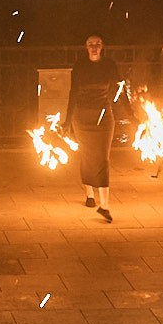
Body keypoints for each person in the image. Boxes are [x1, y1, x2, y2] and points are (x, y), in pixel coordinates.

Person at [66, 35, 125, 222]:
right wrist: (67, 120)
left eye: (97, 44)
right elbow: (73, 92)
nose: (94, 47)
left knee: (102, 158)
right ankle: (90, 194)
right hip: (81, 117)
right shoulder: (80, 66)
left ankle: (105, 206)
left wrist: (131, 115)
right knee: (87, 155)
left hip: (103, 117)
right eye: (91, 44)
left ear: (102, 47)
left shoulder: (109, 65)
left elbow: (119, 90)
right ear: (86, 47)